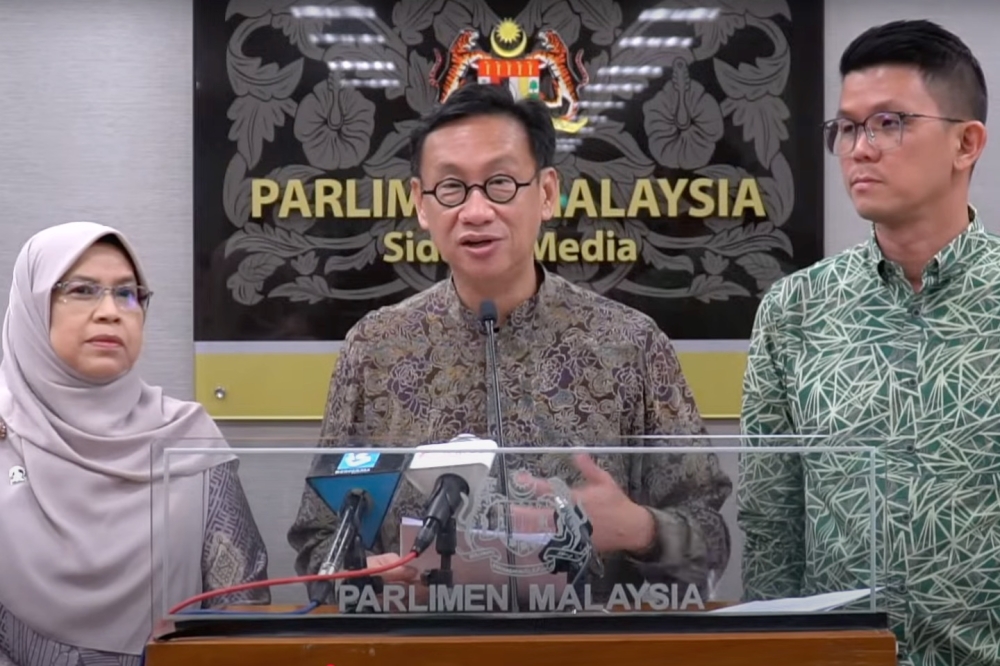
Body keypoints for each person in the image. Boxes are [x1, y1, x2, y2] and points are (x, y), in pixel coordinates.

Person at [287, 83, 733, 605]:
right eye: (451, 188)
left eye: (499, 183)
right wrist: (361, 572)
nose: (476, 211)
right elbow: (319, 542)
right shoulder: (375, 349)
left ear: (545, 194)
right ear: (421, 205)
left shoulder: (630, 345)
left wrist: (641, 528)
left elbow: (712, 542)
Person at [739, 20, 998, 666]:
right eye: (847, 128)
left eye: (889, 123)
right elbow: (771, 522)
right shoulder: (795, 312)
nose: (860, 148)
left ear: (967, 143)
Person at [0, 222, 270, 666]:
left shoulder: (188, 441)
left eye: (127, 293)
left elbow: (243, 609)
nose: (110, 311)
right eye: (83, 290)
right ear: (33, 307)